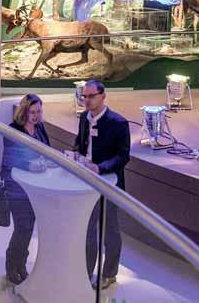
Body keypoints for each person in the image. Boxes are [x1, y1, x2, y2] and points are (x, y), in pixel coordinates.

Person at [74, 80, 130, 291]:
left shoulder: (118, 123)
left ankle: (109, 274)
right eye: (84, 96)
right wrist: (75, 154)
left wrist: (100, 168)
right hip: (86, 184)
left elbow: (123, 156)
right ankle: (87, 272)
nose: (87, 100)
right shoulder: (83, 118)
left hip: (109, 185)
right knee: (88, 230)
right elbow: (80, 142)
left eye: (91, 96)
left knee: (110, 231)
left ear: (103, 96)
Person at [1, 93, 50, 285]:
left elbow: (48, 150)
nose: (37, 116)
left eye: (39, 111)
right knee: (23, 227)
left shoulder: (40, 128)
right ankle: (11, 265)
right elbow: (9, 158)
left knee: (28, 229)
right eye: (33, 112)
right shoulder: (13, 130)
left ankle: (20, 265)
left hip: (36, 189)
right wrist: (29, 166)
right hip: (17, 189)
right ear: (24, 112)